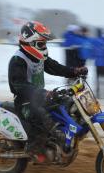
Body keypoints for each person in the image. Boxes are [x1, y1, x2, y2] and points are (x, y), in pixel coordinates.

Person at [8, 21, 88, 156]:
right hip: (25, 102)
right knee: (43, 117)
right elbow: (18, 85)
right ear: (30, 42)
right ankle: (34, 147)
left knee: (68, 103)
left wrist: (74, 71)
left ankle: (64, 138)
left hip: (40, 97)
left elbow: (55, 67)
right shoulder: (18, 60)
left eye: (45, 43)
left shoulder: (38, 56)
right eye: (41, 44)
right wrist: (41, 92)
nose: (44, 47)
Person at [92, 28, 104, 99]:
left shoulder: (94, 41)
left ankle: (98, 93)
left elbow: (92, 52)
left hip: (98, 63)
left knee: (98, 79)